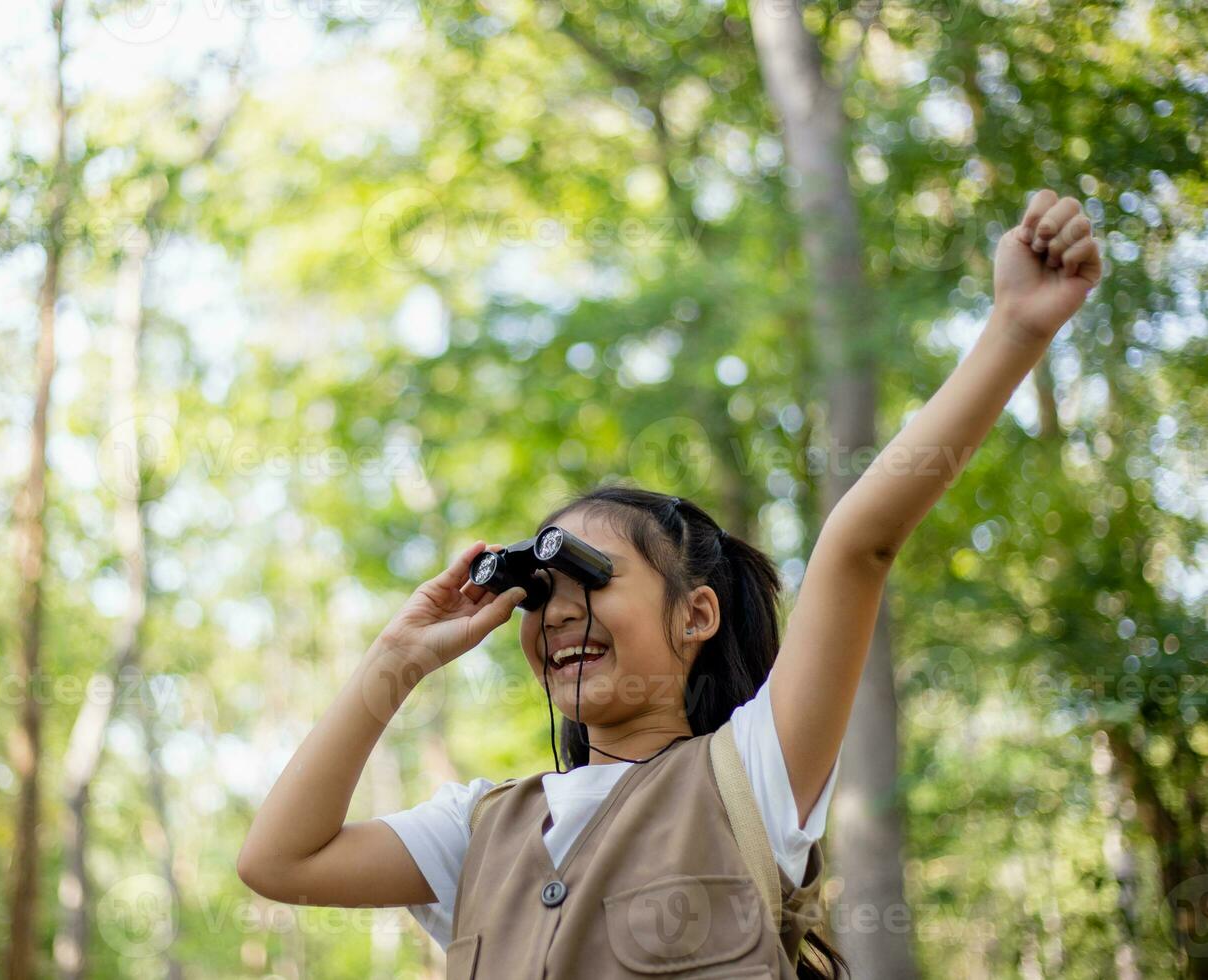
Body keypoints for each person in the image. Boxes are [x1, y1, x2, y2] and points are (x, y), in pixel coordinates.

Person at [236, 188, 1103, 978]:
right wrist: (400, 656)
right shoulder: (480, 830)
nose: (560, 611)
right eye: (537, 592)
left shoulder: (754, 776)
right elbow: (279, 862)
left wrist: (1016, 328)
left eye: (591, 579)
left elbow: (857, 547)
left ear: (695, 615)